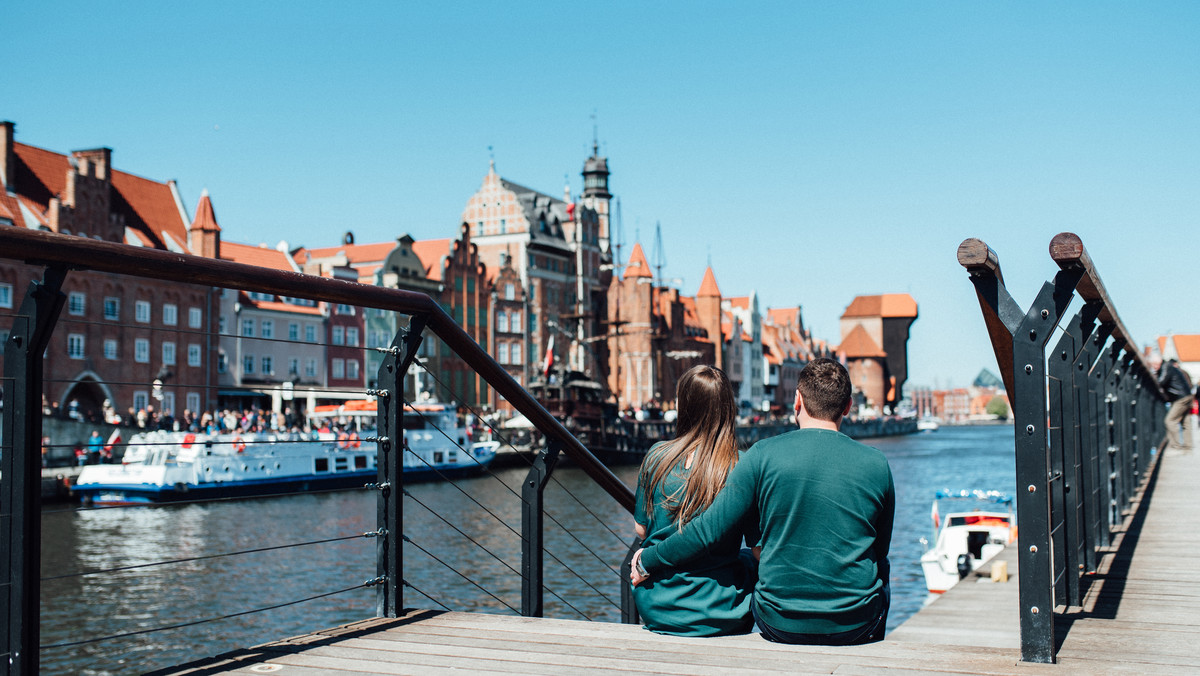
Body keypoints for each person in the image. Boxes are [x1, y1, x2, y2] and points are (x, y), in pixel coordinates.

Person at [631, 358, 894, 646]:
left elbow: (702, 530)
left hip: (777, 622)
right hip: (855, 625)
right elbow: (879, 550)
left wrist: (648, 558)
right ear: (848, 406)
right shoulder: (877, 464)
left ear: (797, 400)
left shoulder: (761, 455)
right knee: (882, 569)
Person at [632, 365, 757, 636]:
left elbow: (641, 529)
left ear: (683, 405)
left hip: (658, 606)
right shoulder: (740, 465)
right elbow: (757, 544)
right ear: (728, 408)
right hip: (718, 609)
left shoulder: (656, 456)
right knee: (749, 559)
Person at [1150, 354, 1193, 452]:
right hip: (1185, 395)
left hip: (1180, 397)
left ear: (1159, 362)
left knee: (1169, 420)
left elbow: (1161, 382)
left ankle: (1176, 445)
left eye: (1155, 365)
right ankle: (1188, 446)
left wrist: (1154, 377)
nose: (1154, 367)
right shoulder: (1168, 366)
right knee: (1185, 421)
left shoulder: (1166, 367)